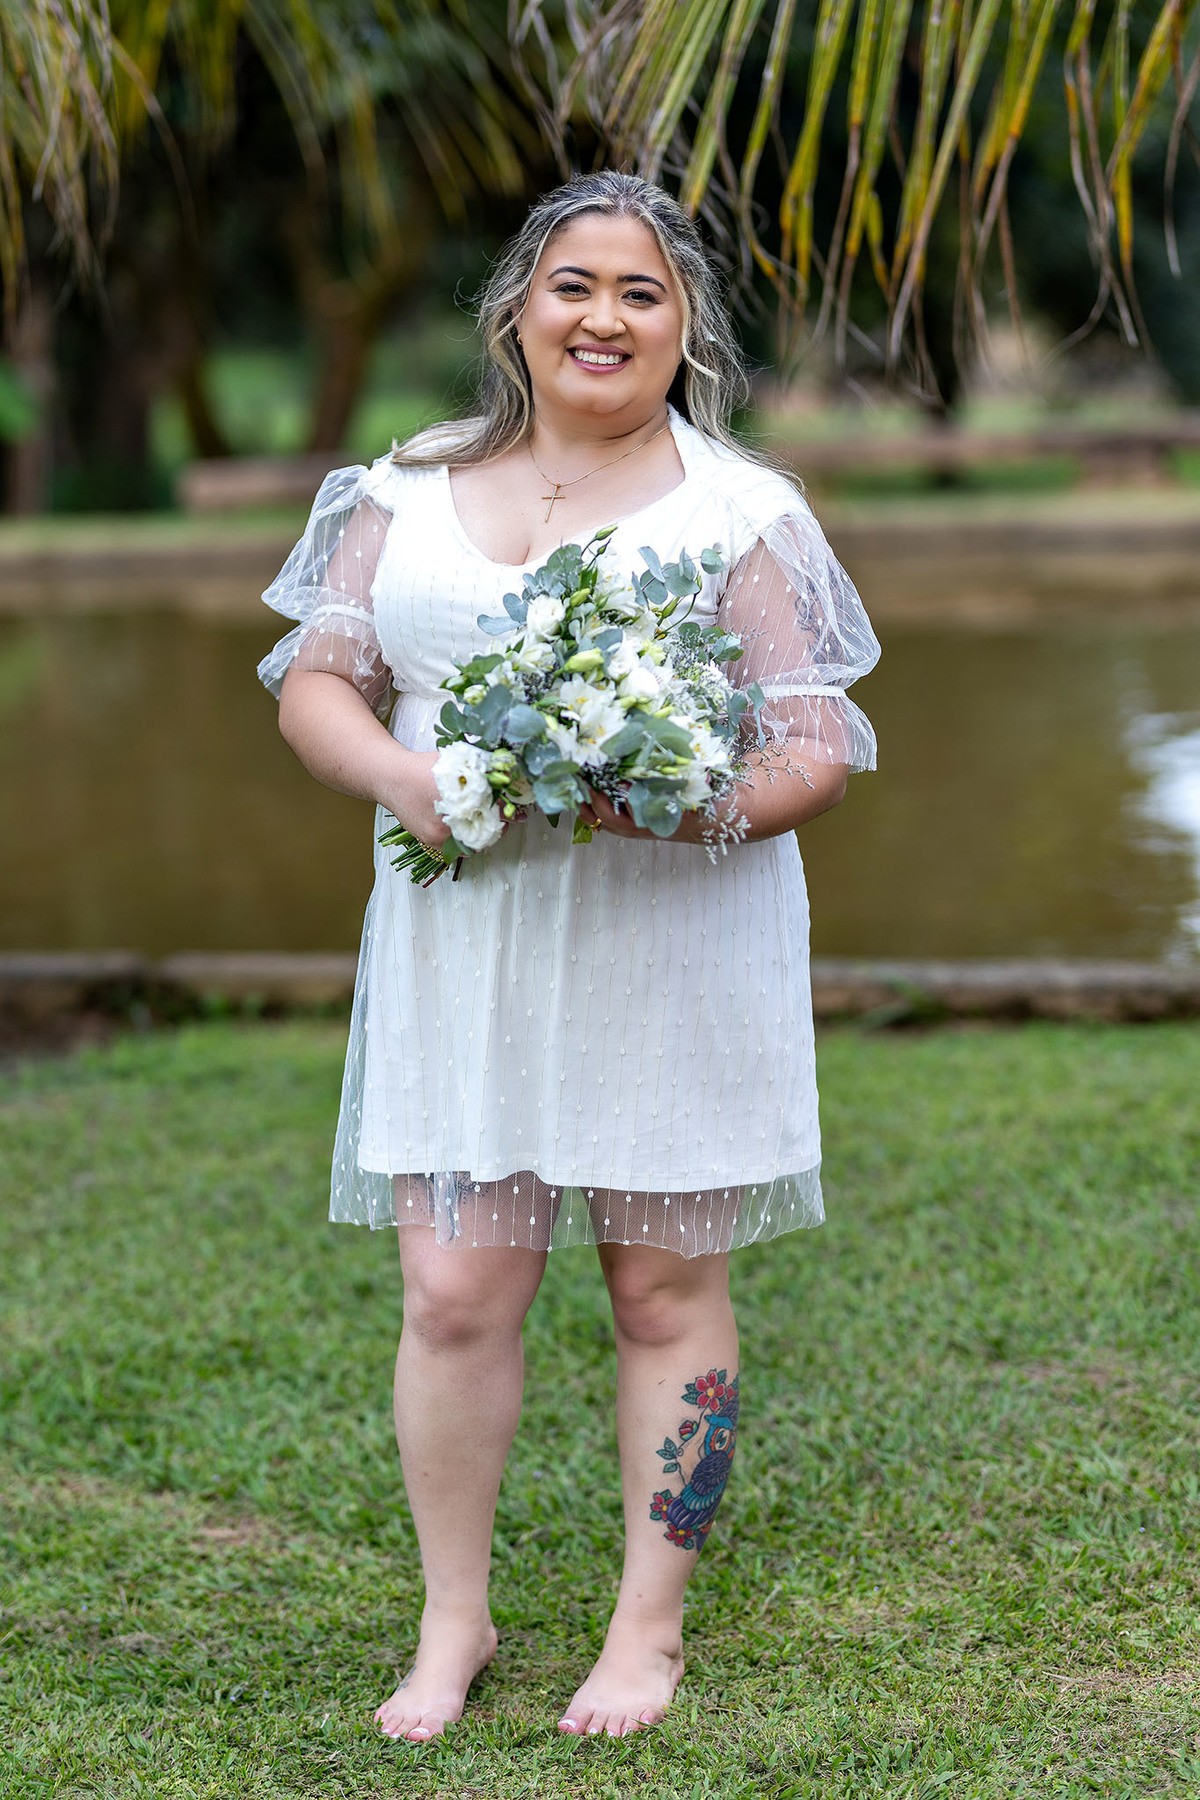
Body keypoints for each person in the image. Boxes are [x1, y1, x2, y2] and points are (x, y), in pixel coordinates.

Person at [258, 170, 879, 1743]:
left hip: (672, 948)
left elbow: (814, 749)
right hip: (464, 947)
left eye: (641, 292)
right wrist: (410, 781)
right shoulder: (402, 490)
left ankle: (646, 1629)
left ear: (685, 329)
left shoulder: (738, 514)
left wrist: (668, 801)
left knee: (663, 1293)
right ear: (518, 312)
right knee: (452, 1293)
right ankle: (451, 1619)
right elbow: (319, 683)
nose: (604, 317)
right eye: (575, 285)